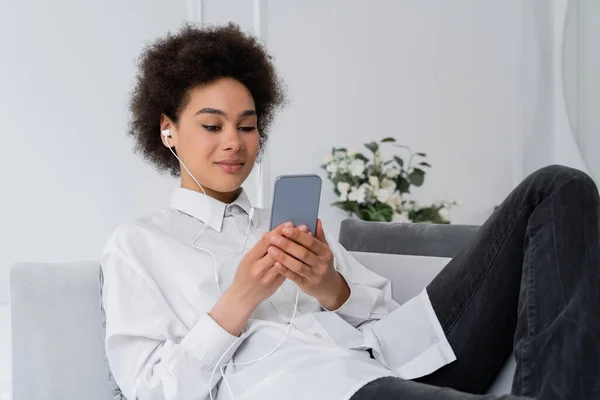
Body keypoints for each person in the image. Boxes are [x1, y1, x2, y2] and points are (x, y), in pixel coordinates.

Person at [99, 23, 600, 400]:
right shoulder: (139, 245)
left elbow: (384, 315)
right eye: (212, 126)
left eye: (247, 126)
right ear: (168, 130)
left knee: (556, 187)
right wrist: (238, 300)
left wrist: (330, 287)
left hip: (405, 356)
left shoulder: (288, 224)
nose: (234, 142)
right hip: (323, 385)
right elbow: (151, 389)